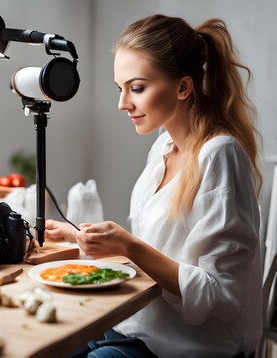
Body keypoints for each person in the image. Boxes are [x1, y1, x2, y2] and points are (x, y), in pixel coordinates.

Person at [45, 14, 263, 358]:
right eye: (121, 89)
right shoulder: (162, 148)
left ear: (182, 87)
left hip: (189, 347)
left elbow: (219, 294)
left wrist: (129, 245)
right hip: (136, 327)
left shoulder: (219, 155)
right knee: (49, 344)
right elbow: (158, 253)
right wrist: (80, 238)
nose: (122, 103)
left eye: (137, 88)